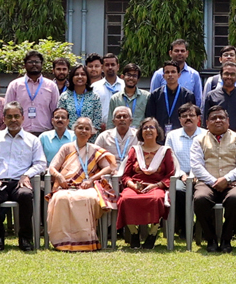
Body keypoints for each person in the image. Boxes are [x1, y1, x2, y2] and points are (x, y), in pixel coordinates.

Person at [0, 103, 48, 252]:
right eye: (9, 116)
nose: (13, 120)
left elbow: (41, 163)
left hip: (20, 182)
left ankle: (25, 239)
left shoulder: (32, 140)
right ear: (3, 119)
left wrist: (26, 175)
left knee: (25, 195)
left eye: (16, 116)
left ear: (23, 118)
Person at [46, 114, 117, 252]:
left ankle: (85, 240)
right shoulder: (67, 148)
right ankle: (63, 241)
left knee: (89, 198)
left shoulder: (95, 150)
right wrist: (59, 177)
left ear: (91, 132)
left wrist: (92, 179)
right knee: (60, 198)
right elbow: (52, 167)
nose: (83, 131)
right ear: (74, 130)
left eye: (87, 128)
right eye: (80, 128)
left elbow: (109, 167)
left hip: (88, 186)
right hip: (67, 185)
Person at [190, 106, 236, 252]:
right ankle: (210, 238)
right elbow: (196, 166)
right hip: (206, 183)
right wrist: (214, 181)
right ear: (207, 123)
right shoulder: (199, 140)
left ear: (228, 121)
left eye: (221, 117)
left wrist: (227, 179)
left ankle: (226, 239)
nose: (218, 120)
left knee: (235, 198)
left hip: (232, 183)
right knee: (200, 199)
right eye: (213, 118)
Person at [117, 117, 175, 248]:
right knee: (125, 199)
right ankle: (134, 233)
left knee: (157, 199)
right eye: (145, 128)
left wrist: (156, 185)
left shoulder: (165, 151)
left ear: (157, 132)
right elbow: (126, 175)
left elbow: (170, 174)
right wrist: (133, 186)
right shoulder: (135, 150)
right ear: (141, 132)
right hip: (135, 186)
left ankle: (153, 233)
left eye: (151, 127)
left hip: (156, 186)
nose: (148, 130)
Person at [166, 105, 204, 238]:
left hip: (202, 175)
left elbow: (208, 158)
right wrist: (182, 174)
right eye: (184, 116)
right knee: (178, 191)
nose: (188, 118)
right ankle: (184, 227)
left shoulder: (206, 134)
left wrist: (195, 174)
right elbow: (170, 159)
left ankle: (202, 227)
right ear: (180, 119)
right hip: (178, 175)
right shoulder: (172, 136)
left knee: (204, 195)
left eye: (192, 115)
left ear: (198, 118)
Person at [4, 51, 60, 135]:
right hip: (20, 133)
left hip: (45, 133)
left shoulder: (51, 86)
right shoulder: (15, 85)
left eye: (37, 62)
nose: (34, 64)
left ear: (42, 64)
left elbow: (56, 111)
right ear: (25, 65)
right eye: (30, 62)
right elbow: (7, 110)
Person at [145, 62, 197, 133]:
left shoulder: (187, 95)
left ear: (179, 75)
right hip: (159, 134)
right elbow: (150, 117)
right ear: (163, 76)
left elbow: (192, 117)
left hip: (181, 134)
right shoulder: (155, 95)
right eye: (167, 72)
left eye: (173, 72)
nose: (170, 75)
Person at [149, 39, 204, 105]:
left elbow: (198, 100)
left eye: (182, 51)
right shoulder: (159, 74)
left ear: (187, 53)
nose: (179, 53)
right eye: (176, 51)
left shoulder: (194, 75)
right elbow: (152, 99)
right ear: (170, 53)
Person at [204, 62, 236, 132]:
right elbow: (206, 120)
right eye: (226, 74)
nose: (229, 77)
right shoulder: (211, 96)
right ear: (221, 75)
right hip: (217, 135)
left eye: (232, 74)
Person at [59, 64, 104, 128]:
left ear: (87, 77)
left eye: (83, 74)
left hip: (90, 133)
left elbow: (97, 120)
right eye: (76, 74)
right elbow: (61, 117)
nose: (80, 77)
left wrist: (88, 132)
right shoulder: (64, 96)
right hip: (69, 133)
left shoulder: (95, 97)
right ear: (72, 77)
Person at [109, 63, 149, 127]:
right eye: (128, 75)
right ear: (122, 77)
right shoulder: (115, 98)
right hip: (120, 132)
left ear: (138, 79)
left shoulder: (146, 97)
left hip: (139, 132)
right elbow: (110, 123)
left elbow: (150, 119)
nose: (131, 78)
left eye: (134, 76)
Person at [92, 53, 125, 128]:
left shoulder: (124, 86)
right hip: (101, 128)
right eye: (107, 65)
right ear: (102, 67)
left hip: (122, 128)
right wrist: (98, 125)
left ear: (118, 67)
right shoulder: (95, 87)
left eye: (113, 65)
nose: (110, 67)